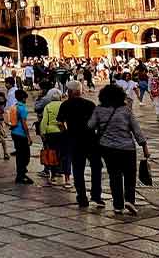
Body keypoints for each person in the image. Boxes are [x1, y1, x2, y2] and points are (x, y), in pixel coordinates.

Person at [85, 83, 148, 215]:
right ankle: (130, 200)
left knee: (114, 175)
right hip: (127, 148)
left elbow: (90, 126)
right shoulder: (125, 110)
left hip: (107, 147)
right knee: (130, 175)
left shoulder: (99, 110)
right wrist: (144, 147)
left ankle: (118, 205)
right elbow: (137, 130)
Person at [56, 80, 102, 207]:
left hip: (74, 140)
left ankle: (82, 197)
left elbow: (60, 123)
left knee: (78, 169)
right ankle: (96, 195)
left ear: (70, 92)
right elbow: (97, 123)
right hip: (91, 139)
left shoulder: (65, 105)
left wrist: (66, 133)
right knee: (96, 167)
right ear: (80, 91)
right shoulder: (90, 104)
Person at [7, 88, 34, 185]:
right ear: (23, 98)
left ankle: (20, 174)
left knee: (19, 155)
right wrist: (28, 137)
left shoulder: (15, 106)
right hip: (21, 134)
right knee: (25, 156)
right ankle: (22, 173)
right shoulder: (22, 108)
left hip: (14, 132)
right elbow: (24, 124)